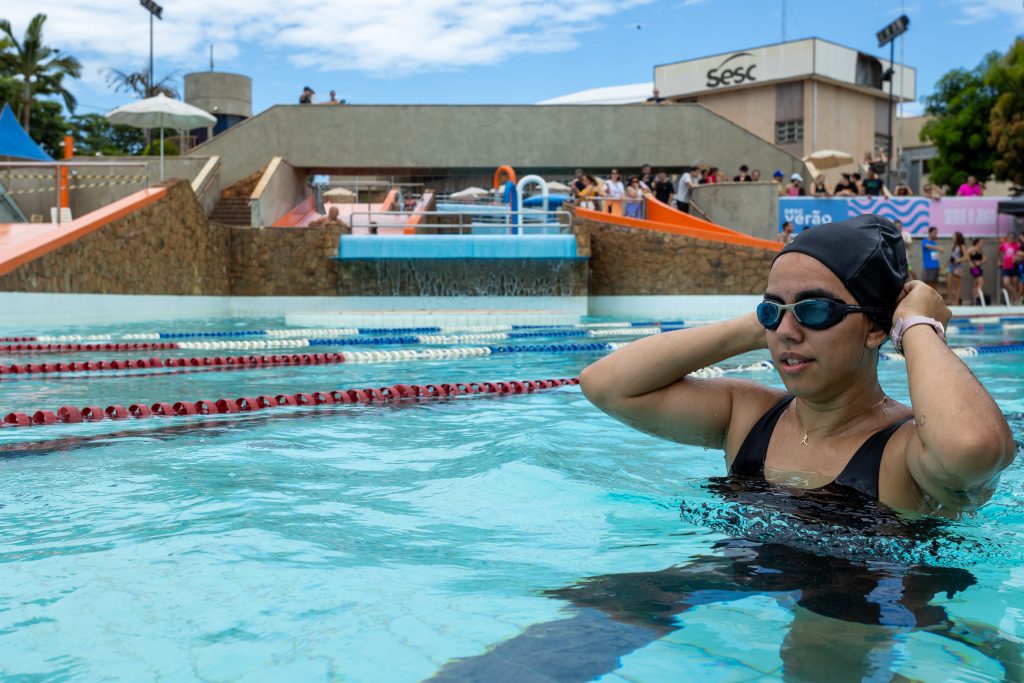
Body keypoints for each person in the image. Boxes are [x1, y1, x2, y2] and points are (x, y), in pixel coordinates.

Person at [581, 213, 1012, 512]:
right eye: (772, 310)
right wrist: (763, 324)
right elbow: (606, 384)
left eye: (816, 310)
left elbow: (973, 447)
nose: (787, 331)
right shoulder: (746, 416)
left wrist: (915, 325)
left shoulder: (903, 451)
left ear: (875, 328)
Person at [946, 231, 967, 305]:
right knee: (948, 282)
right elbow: (952, 256)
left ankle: (957, 301)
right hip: (951, 265)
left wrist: (959, 260)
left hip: (958, 266)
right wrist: (947, 263)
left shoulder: (962, 246)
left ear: (957, 237)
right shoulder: (955, 246)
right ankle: (949, 299)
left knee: (957, 284)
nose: (952, 238)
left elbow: (966, 257)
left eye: (954, 236)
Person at [998, 233, 1019, 304]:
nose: (1011, 239)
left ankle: (1013, 300)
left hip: (1014, 266)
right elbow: (998, 253)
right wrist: (998, 261)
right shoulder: (1003, 245)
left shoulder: (1017, 245)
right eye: (1010, 237)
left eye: (1013, 237)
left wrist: (1017, 258)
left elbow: (1020, 253)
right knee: (1006, 283)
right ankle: (1015, 295)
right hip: (1006, 266)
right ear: (1007, 238)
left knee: (1014, 283)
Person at [968, 238, 986, 305]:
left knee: (975, 284)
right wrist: (971, 263)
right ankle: (978, 297)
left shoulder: (980, 250)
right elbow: (966, 256)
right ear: (977, 243)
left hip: (978, 268)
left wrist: (979, 262)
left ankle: (974, 301)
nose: (982, 244)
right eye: (981, 242)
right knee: (981, 282)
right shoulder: (972, 249)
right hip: (974, 268)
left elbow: (985, 259)